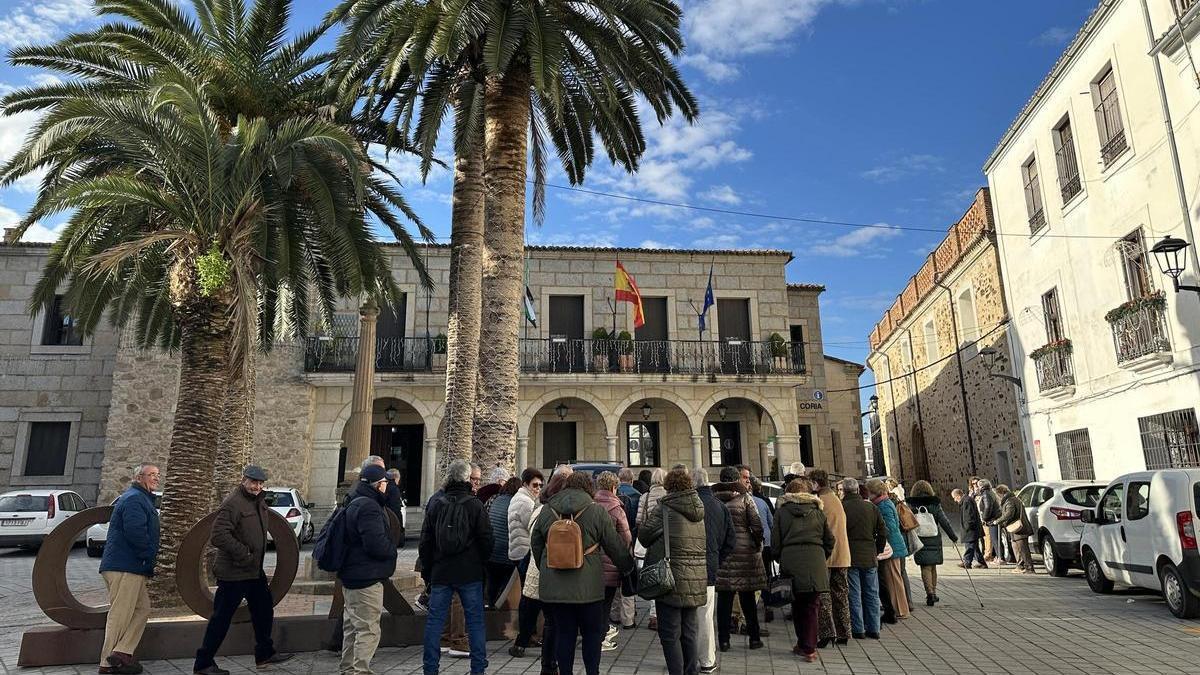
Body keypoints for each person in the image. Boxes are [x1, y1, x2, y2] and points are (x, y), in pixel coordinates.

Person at [531, 472, 635, 675]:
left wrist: (548, 566)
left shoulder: (547, 510)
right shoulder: (596, 511)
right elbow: (615, 546)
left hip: (556, 587)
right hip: (590, 589)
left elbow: (536, 544)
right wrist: (627, 568)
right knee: (592, 635)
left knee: (564, 634)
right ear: (589, 488)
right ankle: (592, 672)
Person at [193, 466, 293, 675]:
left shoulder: (258, 502)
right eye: (253, 482)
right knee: (221, 617)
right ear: (244, 481)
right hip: (234, 573)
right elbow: (218, 535)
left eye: (260, 483)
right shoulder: (233, 503)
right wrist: (243, 554)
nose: (256, 487)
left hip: (253, 572)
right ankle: (203, 663)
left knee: (264, 610)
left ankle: (265, 654)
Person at [420, 459, 493, 675]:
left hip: (441, 571)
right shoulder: (474, 504)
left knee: (434, 622)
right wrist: (481, 562)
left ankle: (430, 668)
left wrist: (428, 571)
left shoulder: (436, 503)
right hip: (469, 572)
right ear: (466, 479)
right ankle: (478, 668)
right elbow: (487, 539)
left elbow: (425, 541)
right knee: (475, 622)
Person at [639, 467, 708, 675]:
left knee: (670, 633)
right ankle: (690, 671)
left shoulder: (665, 508)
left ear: (669, 486)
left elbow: (644, 535)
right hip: (695, 578)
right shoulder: (698, 510)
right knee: (689, 631)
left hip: (671, 579)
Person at [98, 463, 160, 675]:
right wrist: (147, 557)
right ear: (139, 477)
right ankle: (106, 666)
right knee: (120, 614)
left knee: (142, 609)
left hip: (131, 566)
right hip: (126, 567)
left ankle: (122, 652)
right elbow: (136, 533)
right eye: (151, 475)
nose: (156, 478)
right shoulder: (135, 499)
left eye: (157, 475)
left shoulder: (140, 498)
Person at [339, 465, 399, 675]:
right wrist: (391, 549)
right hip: (366, 577)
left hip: (351, 575)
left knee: (353, 627)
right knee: (368, 629)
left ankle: (348, 668)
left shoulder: (353, 501)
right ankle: (360, 671)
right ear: (378, 485)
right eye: (385, 483)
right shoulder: (369, 507)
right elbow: (376, 544)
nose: (387, 487)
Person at [771, 477, 834, 663]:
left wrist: (778, 556)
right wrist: (822, 556)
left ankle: (803, 644)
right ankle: (810, 647)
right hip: (815, 560)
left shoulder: (782, 512)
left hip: (791, 559)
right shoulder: (818, 512)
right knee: (812, 605)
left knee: (796, 604)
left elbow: (776, 539)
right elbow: (829, 540)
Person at [713, 466, 767, 651]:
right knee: (748, 597)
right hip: (745, 553)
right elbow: (756, 525)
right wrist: (757, 542)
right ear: (736, 480)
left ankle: (724, 640)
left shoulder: (714, 499)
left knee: (724, 599)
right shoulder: (745, 499)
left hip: (723, 553)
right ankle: (754, 638)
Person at [520, 471, 568, 673]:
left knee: (540, 615)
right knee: (550, 619)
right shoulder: (547, 512)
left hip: (538, 568)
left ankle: (536, 655)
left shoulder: (540, 509)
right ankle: (548, 663)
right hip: (547, 570)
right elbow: (537, 543)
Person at [692, 468, 734, 674]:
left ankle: (687, 658)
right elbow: (730, 541)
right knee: (706, 615)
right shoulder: (719, 506)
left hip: (686, 569)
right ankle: (707, 660)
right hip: (709, 568)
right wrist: (717, 559)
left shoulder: (688, 505)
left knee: (687, 616)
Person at [809, 469, 851, 647]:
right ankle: (844, 631)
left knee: (823, 595)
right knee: (841, 594)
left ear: (816, 484)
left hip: (826, 555)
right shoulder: (835, 499)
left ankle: (827, 633)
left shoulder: (821, 502)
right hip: (842, 554)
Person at [591, 471, 632, 652]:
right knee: (606, 604)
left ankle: (593, 635)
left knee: (593, 603)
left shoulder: (590, 505)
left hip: (590, 563)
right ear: (614, 487)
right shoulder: (616, 509)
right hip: (610, 564)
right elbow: (626, 538)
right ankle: (600, 639)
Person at [841, 478, 886, 640]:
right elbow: (882, 531)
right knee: (872, 592)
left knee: (854, 592)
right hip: (869, 554)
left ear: (845, 491)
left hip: (851, 554)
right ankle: (873, 627)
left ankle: (858, 628)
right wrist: (878, 549)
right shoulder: (871, 508)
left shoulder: (842, 508)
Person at [508, 468, 545, 657]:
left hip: (519, 551)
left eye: (540, 485)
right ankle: (526, 637)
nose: (538, 488)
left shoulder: (522, 499)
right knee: (529, 598)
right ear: (525, 484)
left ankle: (527, 636)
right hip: (524, 553)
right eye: (535, 485)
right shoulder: (525, 502)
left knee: (529, 598)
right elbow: (533, 525)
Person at [906, 480, 958, 606]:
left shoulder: (911, 504)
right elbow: (944, 520)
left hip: (919, 538)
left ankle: (929, 592)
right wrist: (953, 536)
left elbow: (907, 522)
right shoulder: (934, 503)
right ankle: (933, 592)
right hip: (934, 537)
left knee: (925, 566)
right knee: (933, 565)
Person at [866, 478, 909, 623]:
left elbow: (889, 527)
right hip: (894, 544)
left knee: (893, 579)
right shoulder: (885, 502)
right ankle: (900, 609)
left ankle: (900, 610)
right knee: (894, 579)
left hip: (892, 546)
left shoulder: (883, 506)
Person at [636, 468, 668, 630]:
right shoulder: (669, 496)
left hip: (650, 542)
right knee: (666, 575)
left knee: (652, 576)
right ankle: (664, 613)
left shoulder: (645, 497)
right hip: (667, 542)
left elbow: (639, 522)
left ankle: (654, 616)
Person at [610, 468, 641, 631]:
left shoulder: (613, 496)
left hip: (612, 544)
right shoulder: (637, 495)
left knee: (614, 580)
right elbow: (638, 522)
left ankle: (614, 614)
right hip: (630, 543)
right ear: (632, 479)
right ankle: (628, 617)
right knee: (628, 581)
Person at [486, 477, 522, 607]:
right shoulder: (516, 504)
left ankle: (490, 608)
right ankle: (500, 616)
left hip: (491, 553)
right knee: (505, 590)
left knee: (492, 585)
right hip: (506, 555)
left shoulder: (494, 499)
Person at [994, 484, 1035, 573]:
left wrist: (998, 521)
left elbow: (1009, 514)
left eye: (998, 495)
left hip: (1019, 529)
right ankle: (1020, 566)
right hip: (1014, 529)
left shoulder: (1010, 501)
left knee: (1023, 549)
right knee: (1016, 547)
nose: (998, 497)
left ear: (1001, 493)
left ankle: (1029, 568)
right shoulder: (1010, 499)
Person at [953, 488, 986, 569]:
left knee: (970, 545)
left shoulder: (967, 501)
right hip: (972, 528)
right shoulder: (966, 500)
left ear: (958, 495)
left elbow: (969, 516)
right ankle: (982, 563)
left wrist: (967, 528)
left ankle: (967, 562)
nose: (954, 500)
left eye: (954, 497)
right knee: (975, 547)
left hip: (971, 529)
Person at [977, 479, 1001, 563]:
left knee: (995, 539)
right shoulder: (988, 492)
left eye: (978, 485)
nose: (978, 487)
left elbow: (988, 507)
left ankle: (999, 557)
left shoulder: (986, 494)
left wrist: (984, 518)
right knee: (994, 539)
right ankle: (998, 557)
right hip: (992, 518)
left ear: (982, 486)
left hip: (991, 519)